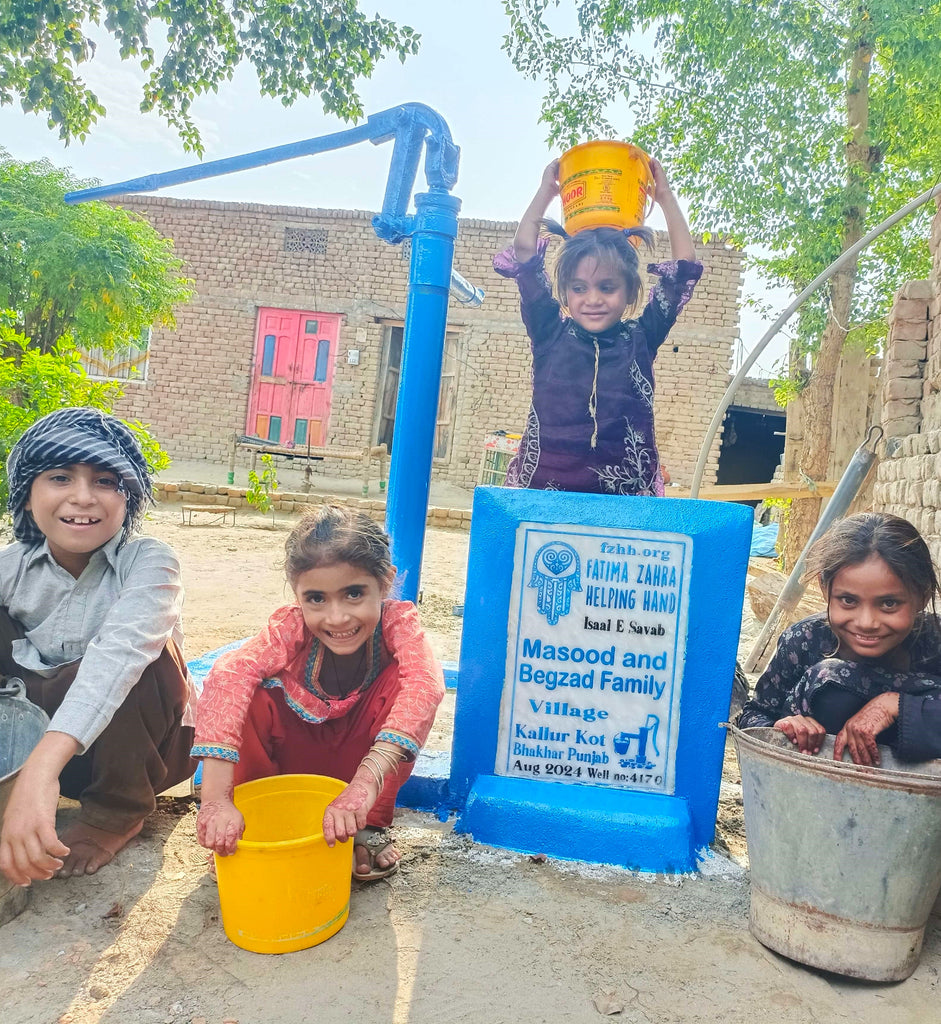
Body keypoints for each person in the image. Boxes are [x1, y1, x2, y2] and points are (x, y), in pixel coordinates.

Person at [193, 505, 445, 881]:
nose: (337, 617)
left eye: (354, 594)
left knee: (407, 687)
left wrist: (363, 786)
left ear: (386, 581)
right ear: (297, 595)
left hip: (360, 773)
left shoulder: (398, 625)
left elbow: (426, 683)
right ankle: (256, 816)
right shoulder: (289, 629)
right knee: (246, 690)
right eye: (316, 599)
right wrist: (214, 801)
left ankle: (365, 824)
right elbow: (230, 674)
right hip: (287, 768)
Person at [0, 408, 195, 885]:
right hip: (51, 755)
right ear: (28, 497)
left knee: (144, 657)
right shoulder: (12, 567)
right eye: (60, 477)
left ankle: (115, 815)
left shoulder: (147, 561)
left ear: (128, 500)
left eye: (106, 481)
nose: (82, 497)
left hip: (145, 753)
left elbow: (120, 656)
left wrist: (40, 773)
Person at [493, 156, 702, 496]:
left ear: (630, 291)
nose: (592, 299)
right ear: (565, 292)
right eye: (579, 288)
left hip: (624, 500)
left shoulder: (641, 337)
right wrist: (546, 191)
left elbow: (685, 266)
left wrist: (664, 197)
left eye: (607, 287)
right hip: (544, 494)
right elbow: (524, 252)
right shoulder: (549, 332)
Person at [739, 513, 941, 766]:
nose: (867, 622)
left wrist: (898, 706)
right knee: (832, 688)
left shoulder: (934, 641)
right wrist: (783, 727)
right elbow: (753, 715)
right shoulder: (805, 640)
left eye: (889, 603)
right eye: (848, 600)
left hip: (914, 789)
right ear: (826, 590)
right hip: (813, 780)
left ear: (922, 597)